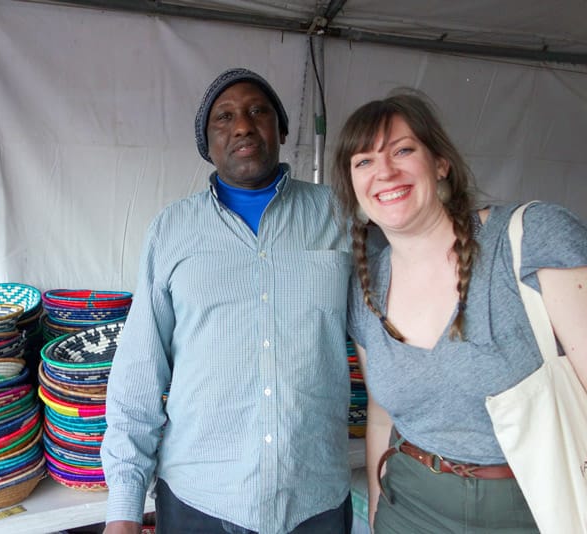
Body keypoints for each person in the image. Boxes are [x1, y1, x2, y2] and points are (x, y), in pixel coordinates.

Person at [100, 68, 353, 534]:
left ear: (281, 128)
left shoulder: (339, 217)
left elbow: (389, 339)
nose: (242, 125)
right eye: (224, 117)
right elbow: (138, 373)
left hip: (314, 497)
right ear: (207, 145)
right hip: (200, 501)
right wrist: (124, 507)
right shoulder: (171, 231)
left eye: (258, 110)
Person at [331, 91, 587, 533]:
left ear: (441, 163)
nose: (385, 171)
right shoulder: (366, 286)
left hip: (533, 504)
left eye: (403, 150)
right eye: (364, 162)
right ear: (353, 186)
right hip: (409, 506)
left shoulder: (531, 238)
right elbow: (381, 414)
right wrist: (376, 507)